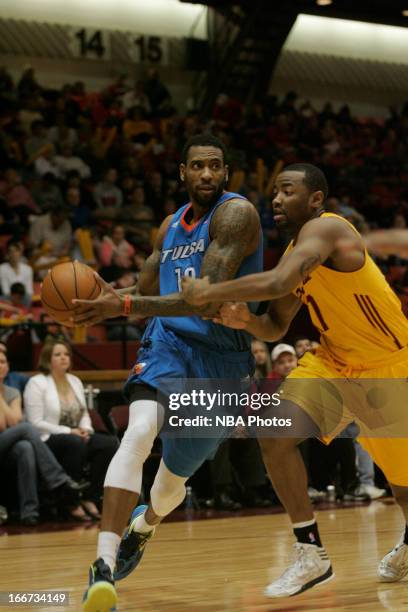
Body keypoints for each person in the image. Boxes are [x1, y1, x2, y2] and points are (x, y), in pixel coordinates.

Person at [181, 163, 408, 597]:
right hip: (334, 363)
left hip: (389, 368)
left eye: (286, 190)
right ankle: (311, 555)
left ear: (316, 199)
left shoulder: (328, 230)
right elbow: (275, 327)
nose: (277, 199)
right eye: (274, 192)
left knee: (403, 484)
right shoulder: (294, 253)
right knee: (274, 432)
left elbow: (279, 282)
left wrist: (211, 291)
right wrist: (247, 320)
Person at [72, 134, 262, 612]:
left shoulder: (236, 215)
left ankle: (146, 525)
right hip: (169, 344)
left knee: (171, 484)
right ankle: (103, 566)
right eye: (197, 167)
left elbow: (204, 295)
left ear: (226, 173)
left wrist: (127, 303)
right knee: (137, 433)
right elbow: (144, 288)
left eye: (215, 167)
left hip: (223, 360)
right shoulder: (169, 227)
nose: (206, 175)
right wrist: (105, 300)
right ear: (182, 172)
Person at [24, 340, 118, 522]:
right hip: (47, 439)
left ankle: (91, 498)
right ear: (47, 359)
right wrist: (69, 431)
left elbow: (84, 413)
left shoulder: (74, 380)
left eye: (66, 354)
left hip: (76, 434)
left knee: (108, 444)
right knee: (73, 443)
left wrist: (86, 430)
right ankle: (71, 502)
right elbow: (35, 422)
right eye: (57, 355)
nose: (63, 358)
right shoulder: (36, 383)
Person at [0, 350, 86, 525]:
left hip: (10, 445)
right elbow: (2, 424)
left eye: (2, 362)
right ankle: (59, 480)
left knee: (25, 447)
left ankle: (29, 513)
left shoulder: (13, 392)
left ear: (8, 367)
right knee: (28, 428)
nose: (0, 365)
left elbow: (14, 422)